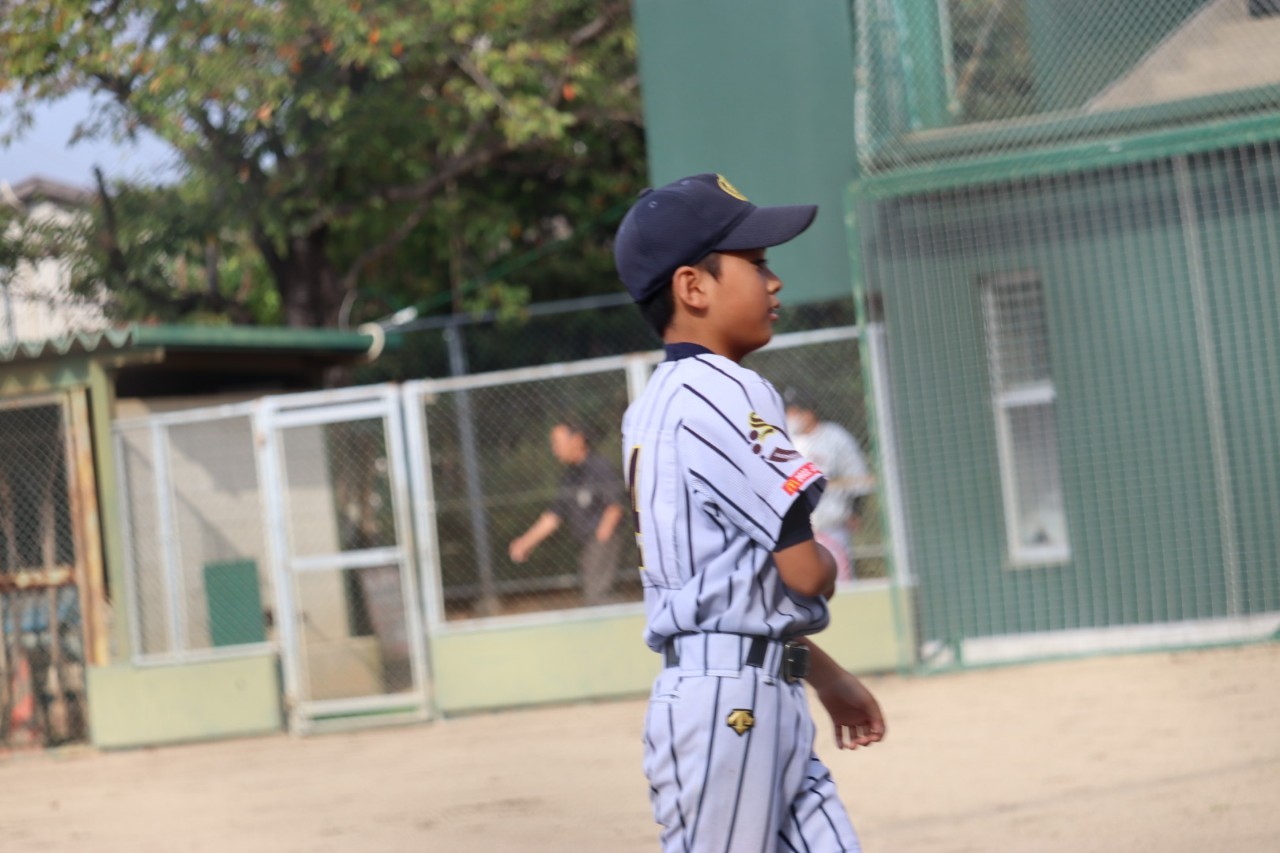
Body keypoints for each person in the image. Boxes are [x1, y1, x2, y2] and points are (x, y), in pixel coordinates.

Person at [613, 173, 885, 852]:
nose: (774, 280)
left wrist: (826, 674)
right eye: (756, 262)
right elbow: (803, 571)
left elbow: (735, 585)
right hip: (728, 707)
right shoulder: (726, 390)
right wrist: (821, 562)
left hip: (746, 688)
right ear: (692, 287)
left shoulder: (653, 404)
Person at [508, 421, 625, 606]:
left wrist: (602, 538)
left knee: (598, 596)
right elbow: (553, 517)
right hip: (588, 544)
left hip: (601, 540)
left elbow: (614, 506)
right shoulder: (570, 476)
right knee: (595, 597)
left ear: (578, 440)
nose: (554, 449)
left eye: (557, 442)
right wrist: (525, 542)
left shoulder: (599, 467)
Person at [783, 386, 876, 583]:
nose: (790, 417)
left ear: (808, 412)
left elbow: (856, 475)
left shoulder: (835, 437)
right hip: (797, 532)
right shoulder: (784, 441)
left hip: (833, 526)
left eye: (794, 411)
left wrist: (856, 511)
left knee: (840, 583)